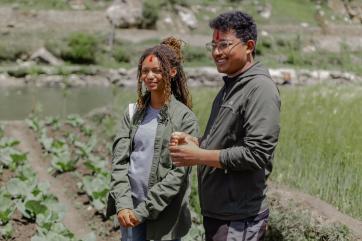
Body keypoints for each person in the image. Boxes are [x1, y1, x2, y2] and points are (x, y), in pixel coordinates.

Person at [169, 11, 281, 241]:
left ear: (249, 46)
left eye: (224, 45)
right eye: (213, 45)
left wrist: (199, 155)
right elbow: (227, 140)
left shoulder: (260, 88)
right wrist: (197, 143)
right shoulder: (231, 85)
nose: (216, 52)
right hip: (221, 213)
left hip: (239, 218)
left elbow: (256, 153)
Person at [106, 37, 199, 241]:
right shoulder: (132, 113)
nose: (150, 76)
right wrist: (123, 205)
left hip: (165, 211)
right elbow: (119, 163)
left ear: (172, 72)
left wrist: (143, 211)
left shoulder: (185, 118)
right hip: (129, 208)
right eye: (145, 71)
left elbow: (178, 175)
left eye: (157, 70)